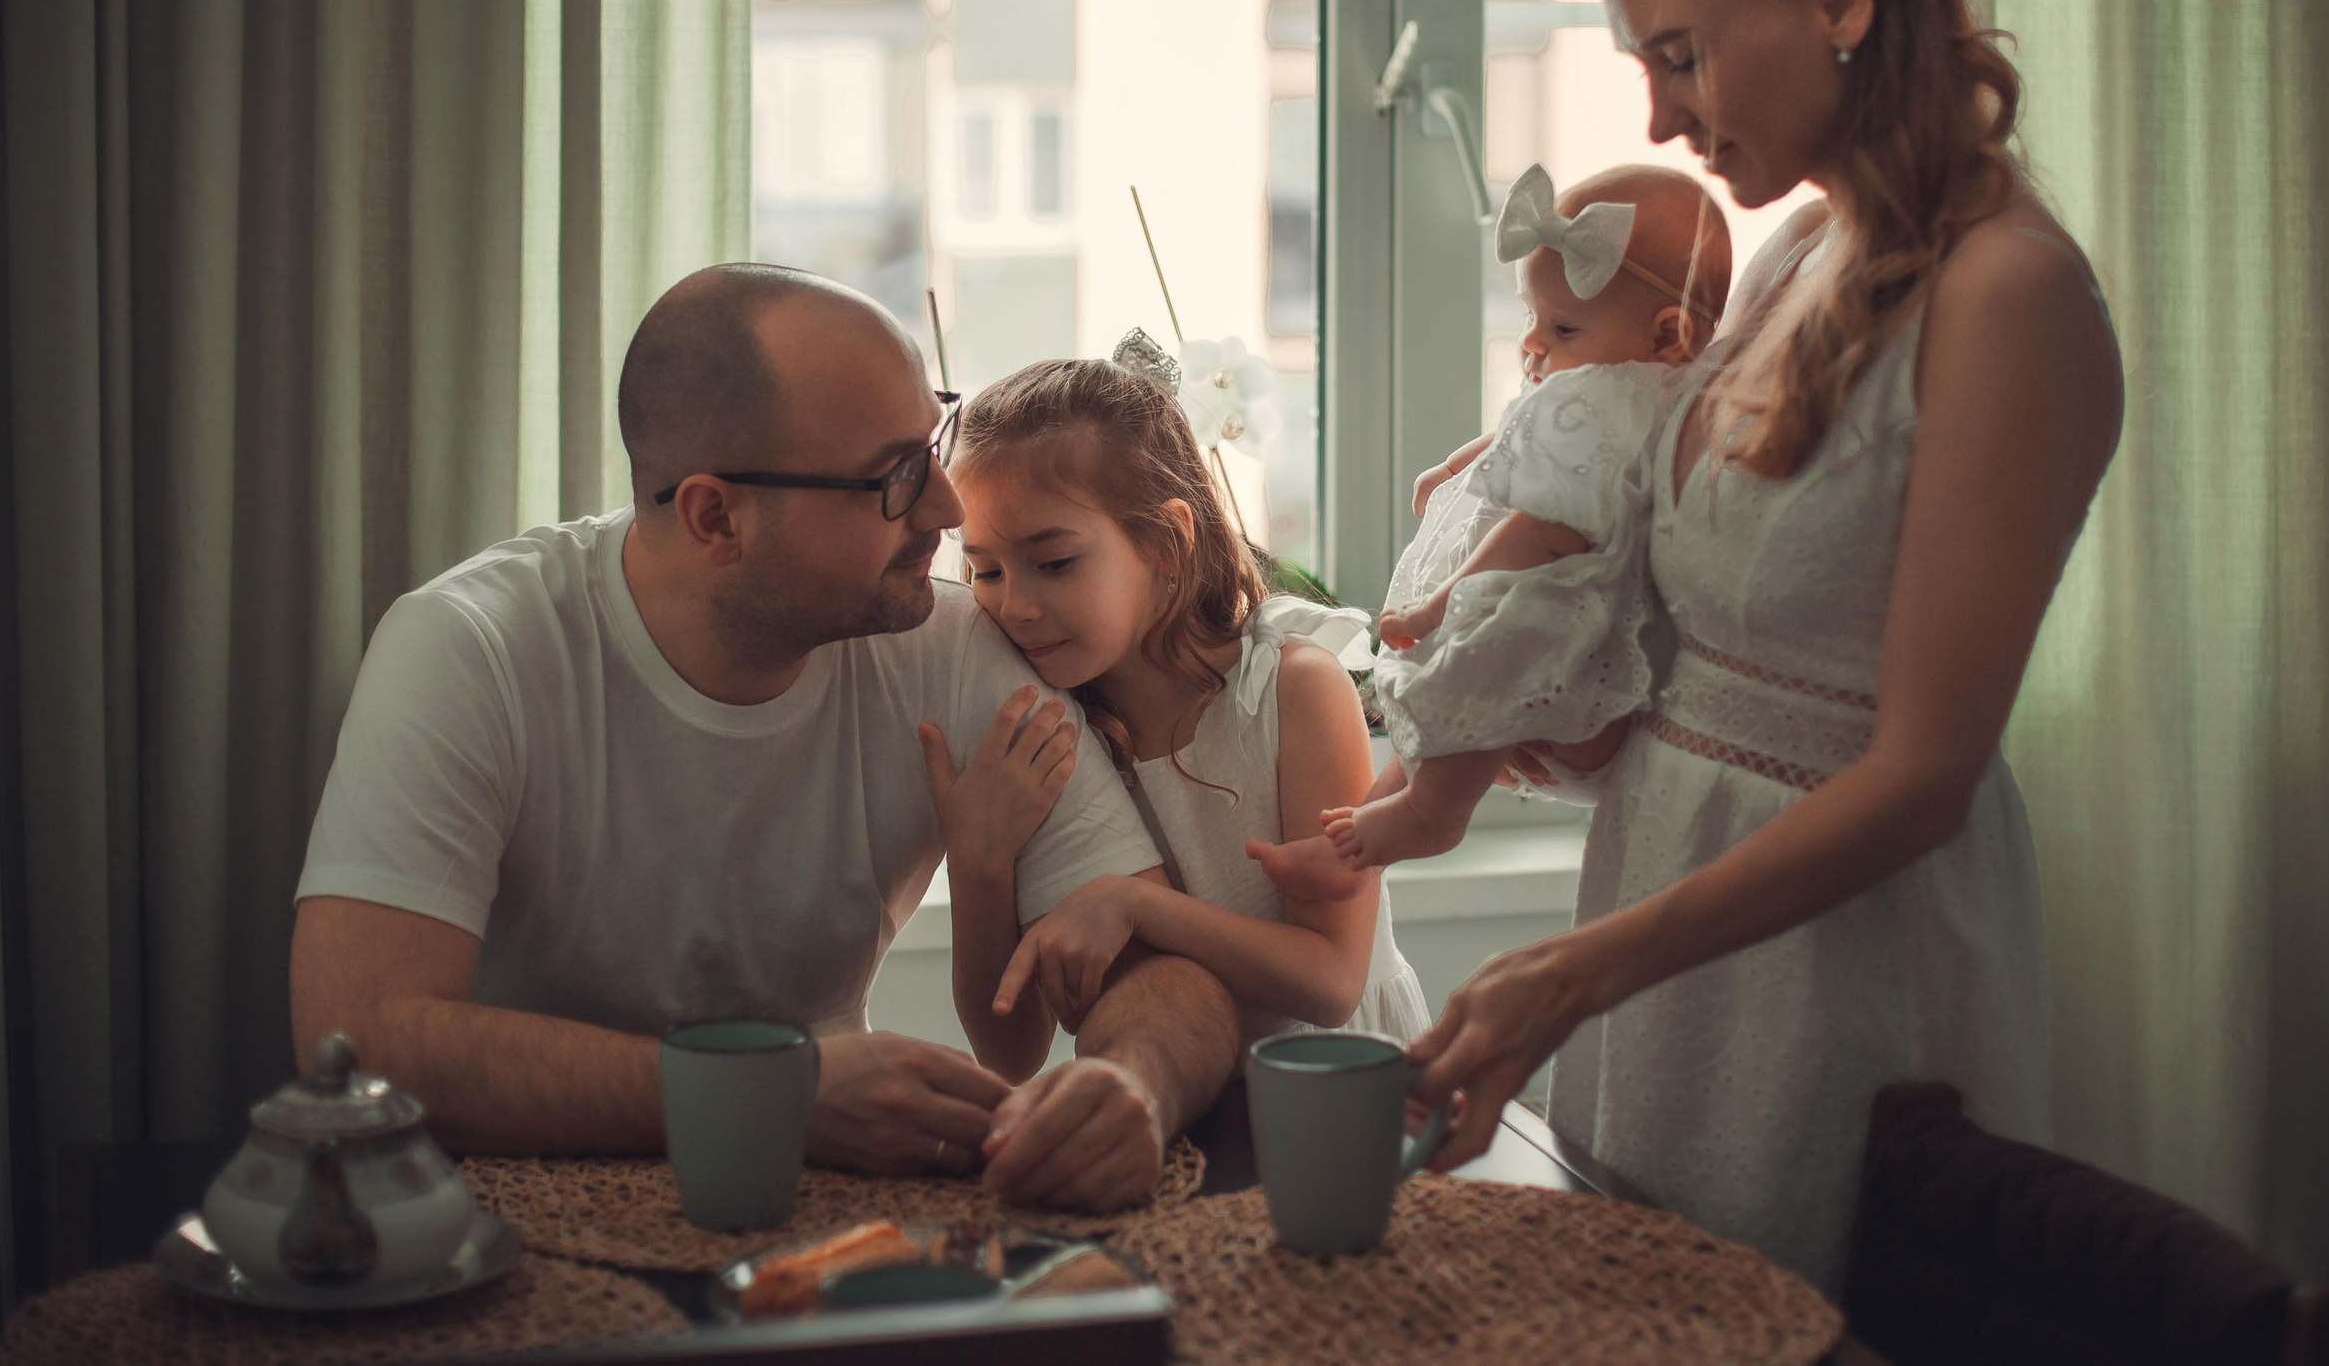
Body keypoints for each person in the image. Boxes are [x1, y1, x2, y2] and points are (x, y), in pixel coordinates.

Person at [1398, 0, 2123, 1294]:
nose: (1662, 119)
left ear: (1840, 0)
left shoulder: (2011, 299)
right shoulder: (1800, 243)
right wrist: (1589, 712)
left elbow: (1920, 774)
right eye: (1644, 66)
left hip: (1837, 961)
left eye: (1685, 52)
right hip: (1669, 906)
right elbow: (1719, 591)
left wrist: (1572, 967)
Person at [289, 266, 1239, 1213]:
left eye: (934, 442)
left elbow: (1165, 979)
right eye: (895, 477)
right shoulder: (471, 648)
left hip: (826, 1216)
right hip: (506, 1223)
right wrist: (766, 1096)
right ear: (715, 517)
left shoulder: (945, 647)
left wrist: (1134, 1087)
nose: (948, 513)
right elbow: (359, 1034)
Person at [938, 349, 1432, 1057]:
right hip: (1177, 1105)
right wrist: (978, 859)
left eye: (1053, 563)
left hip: (1341, 1092)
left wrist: (1136, 903)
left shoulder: (1294, 691)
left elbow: (1330, 984)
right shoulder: (1052, 733)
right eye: (983, 569)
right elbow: (1009, 1051)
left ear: (1167, 541)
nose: (1014, 604)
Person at [1254, 162, 1731, 890]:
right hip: (1600, 633)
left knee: (1472, 660)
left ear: (1670, 332)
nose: (1533, 344)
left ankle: (1432, 815)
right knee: (1449, 704)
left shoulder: (1604, 400)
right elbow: (1521, 435)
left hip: (1547, 599)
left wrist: (1446, 597)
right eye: (1532, 319)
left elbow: (1544, 529)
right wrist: (1458, 465)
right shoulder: (1664, 390)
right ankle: (1365, 833)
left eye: (1563, 325)